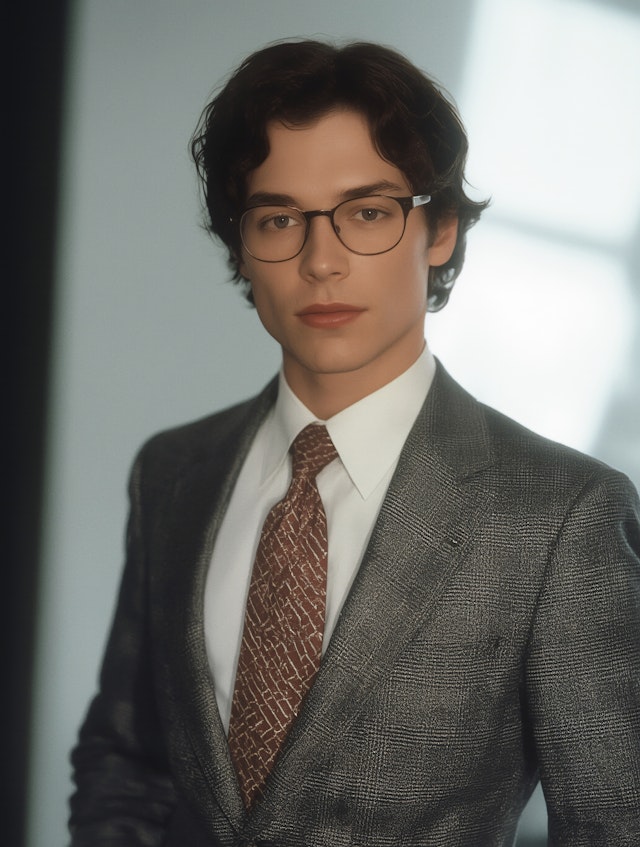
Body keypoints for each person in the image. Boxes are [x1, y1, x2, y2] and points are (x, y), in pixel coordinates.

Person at [68, 40, 640, 846]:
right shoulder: (172, 472)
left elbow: (614, 823)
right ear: (242, 247)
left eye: (367, 212)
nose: (322, 261)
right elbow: (127, 765)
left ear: (439, 230)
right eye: (279, 219)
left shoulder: (561, 514)